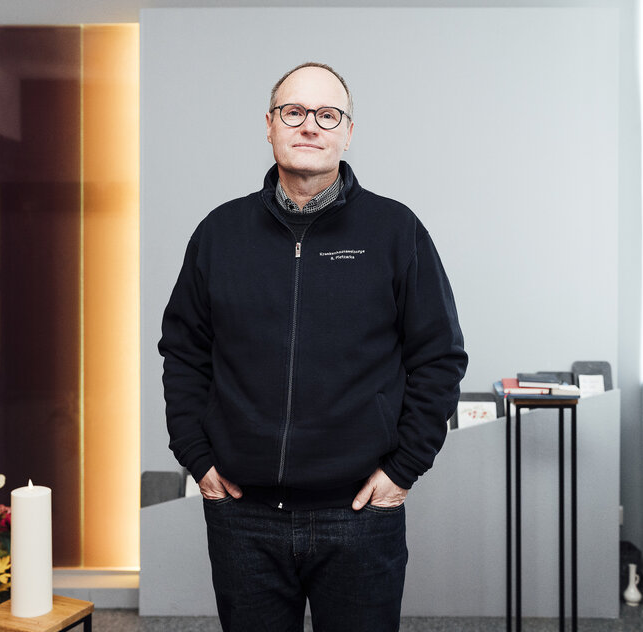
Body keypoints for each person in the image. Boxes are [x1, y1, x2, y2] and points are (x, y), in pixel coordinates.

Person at [158, 62, 467, 632]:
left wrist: (404, 469)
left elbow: (439, 357)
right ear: (269, 125)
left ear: (348, 132)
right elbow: (183, 352)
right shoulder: (219, 233)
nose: (309, 126)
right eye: (294, 112)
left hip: (360, 514)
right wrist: (196, 457)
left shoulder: (396, 231)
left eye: (327, 115)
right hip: (242, 515)